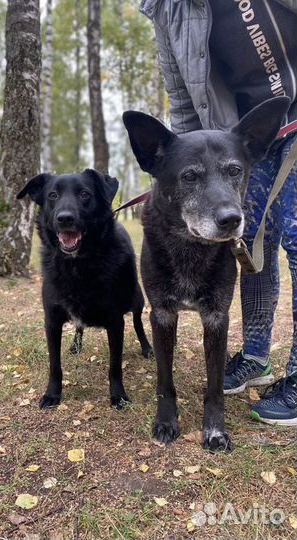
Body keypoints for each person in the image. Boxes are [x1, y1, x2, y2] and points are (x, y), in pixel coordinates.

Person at [140, 0, 297, 426]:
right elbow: (182, 98)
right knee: (254, 248)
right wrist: (178, 158)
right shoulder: (167, 9)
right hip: (232, 137)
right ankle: (255, 356)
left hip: (276, 126)